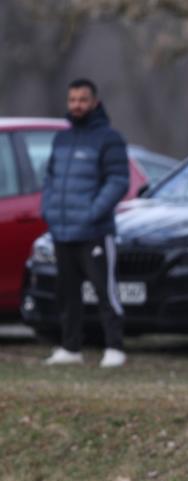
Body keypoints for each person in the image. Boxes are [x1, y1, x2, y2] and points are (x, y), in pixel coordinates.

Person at [41, 78, 130, 368]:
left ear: (94, 102)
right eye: (72, 100)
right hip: (63, 230)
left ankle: (115, 347)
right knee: (67, 293)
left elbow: (118, 181)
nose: (77, 105)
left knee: (105, 290)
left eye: (82, 100)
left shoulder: (109, 138)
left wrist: (93, 212)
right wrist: (50, 210)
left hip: (94, 231)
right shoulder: (62, 138)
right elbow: (51, 179)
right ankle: (70, 348)